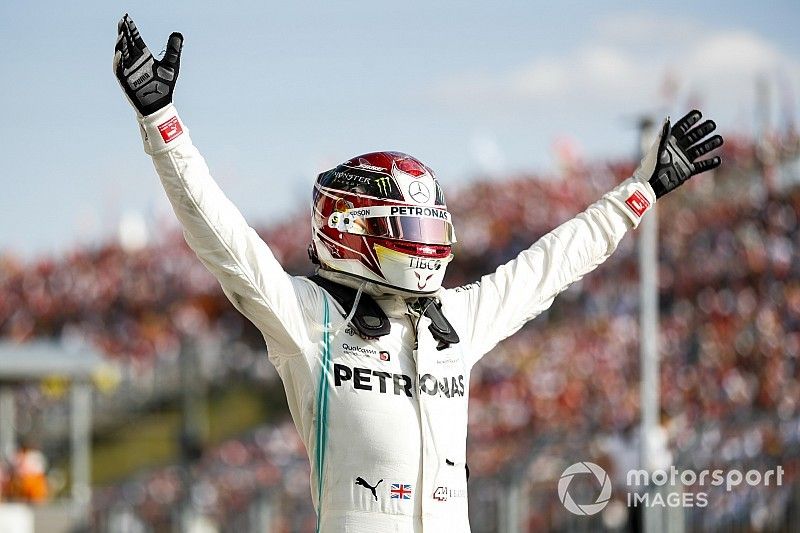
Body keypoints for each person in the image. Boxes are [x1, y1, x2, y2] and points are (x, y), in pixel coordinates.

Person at [113, 14, 723, 532]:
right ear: (351, 229)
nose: (424, 243)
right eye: (407, 225)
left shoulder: (453, 318)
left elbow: (551, 265)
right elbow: (223, 240)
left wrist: (640, 191)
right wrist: (163, 123)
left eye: (430, 225)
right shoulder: (307, 319)